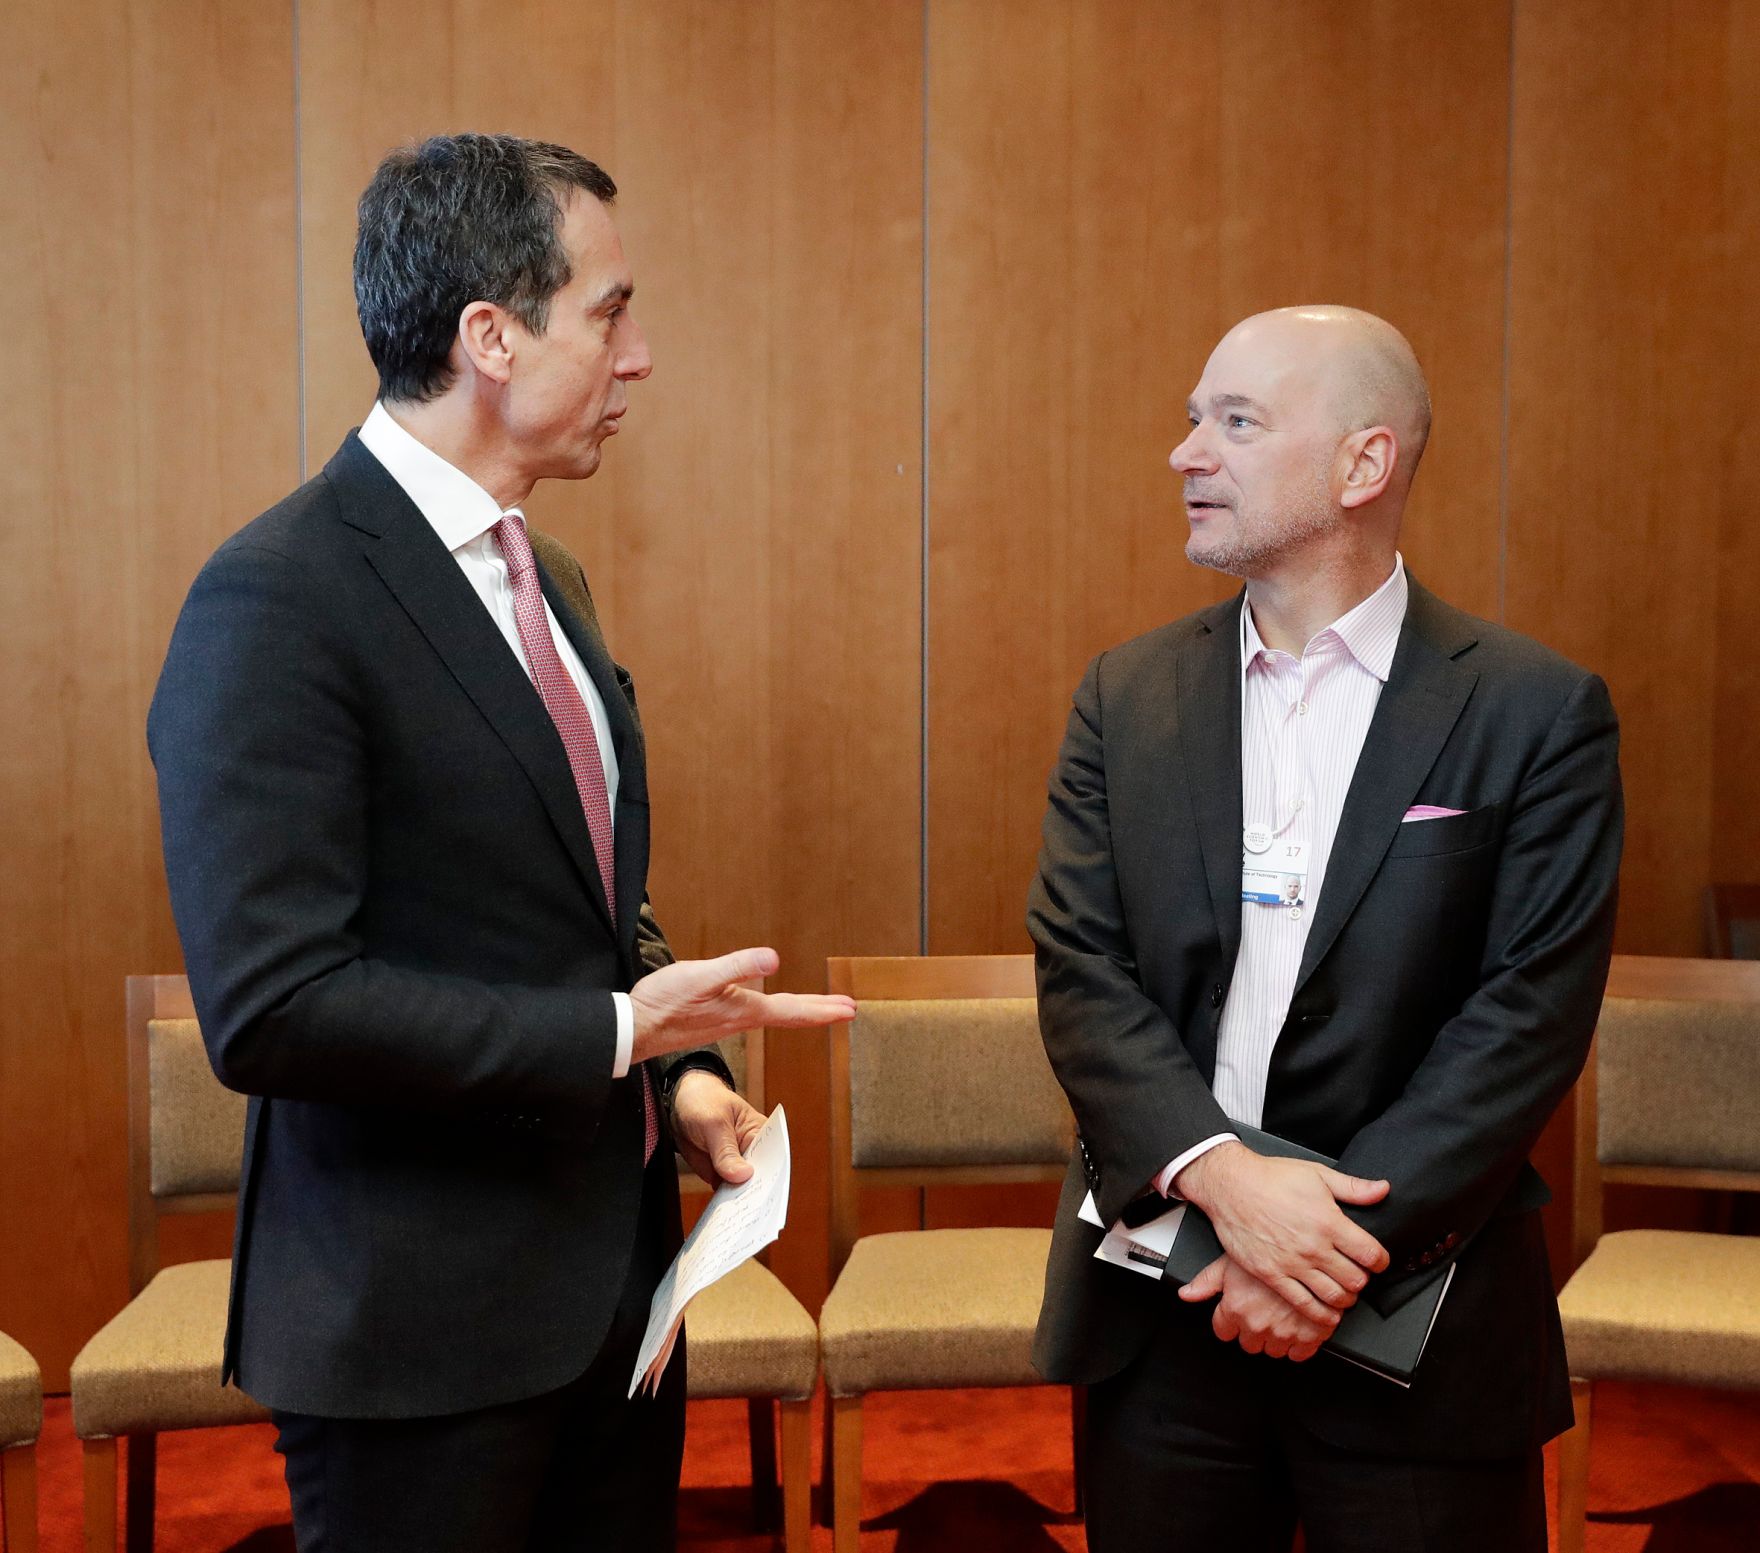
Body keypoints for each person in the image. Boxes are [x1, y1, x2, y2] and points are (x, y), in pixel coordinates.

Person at [148, 133, 855, 1553]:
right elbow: (276, 1008)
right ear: (491, 335)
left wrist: (690, 1066)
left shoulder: (553, 573)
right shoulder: (277, 599)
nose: (639, 354)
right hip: (419, 1345)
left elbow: (583, 892)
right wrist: (610, 1032)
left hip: (609, 1307)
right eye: (611, 310)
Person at [1028, 306, 1622, 1551]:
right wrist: (1227, 1183)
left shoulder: (1533, 710)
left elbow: (1524, 1015)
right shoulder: (1121, 695)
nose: (1186, 452)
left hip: (1420, 1318)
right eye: (1194, 418)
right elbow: (1084, 972)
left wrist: (1324, 1248)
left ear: (1364, 464)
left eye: (1234, 421)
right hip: (1165, 1312)